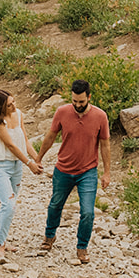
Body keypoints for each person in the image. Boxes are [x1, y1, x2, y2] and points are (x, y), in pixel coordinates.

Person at [34, 78, 111, 262]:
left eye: (81, 102)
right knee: (55, 205)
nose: (77, 105)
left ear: (89, 97)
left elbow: (105, 145)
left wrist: (107, 172)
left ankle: (82, 247)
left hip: (88, 172)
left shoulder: (100, 116)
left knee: (87, 212)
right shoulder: (62, 112)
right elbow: (50, 136)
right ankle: (49, 236)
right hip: (63, 169)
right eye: (74, 101)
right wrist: (38, 158)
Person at [0, 89, 42, 262]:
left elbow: (24, 140)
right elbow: (11, 145)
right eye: (9, 105)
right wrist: (30, 164)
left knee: (10, 207)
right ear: (1, 107)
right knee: (9, 204)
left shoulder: (19, 114)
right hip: (1, 166)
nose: (14, 106)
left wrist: (37, 158)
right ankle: (1, 245)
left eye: (13, 102)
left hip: (17, 166)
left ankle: (0, 239)